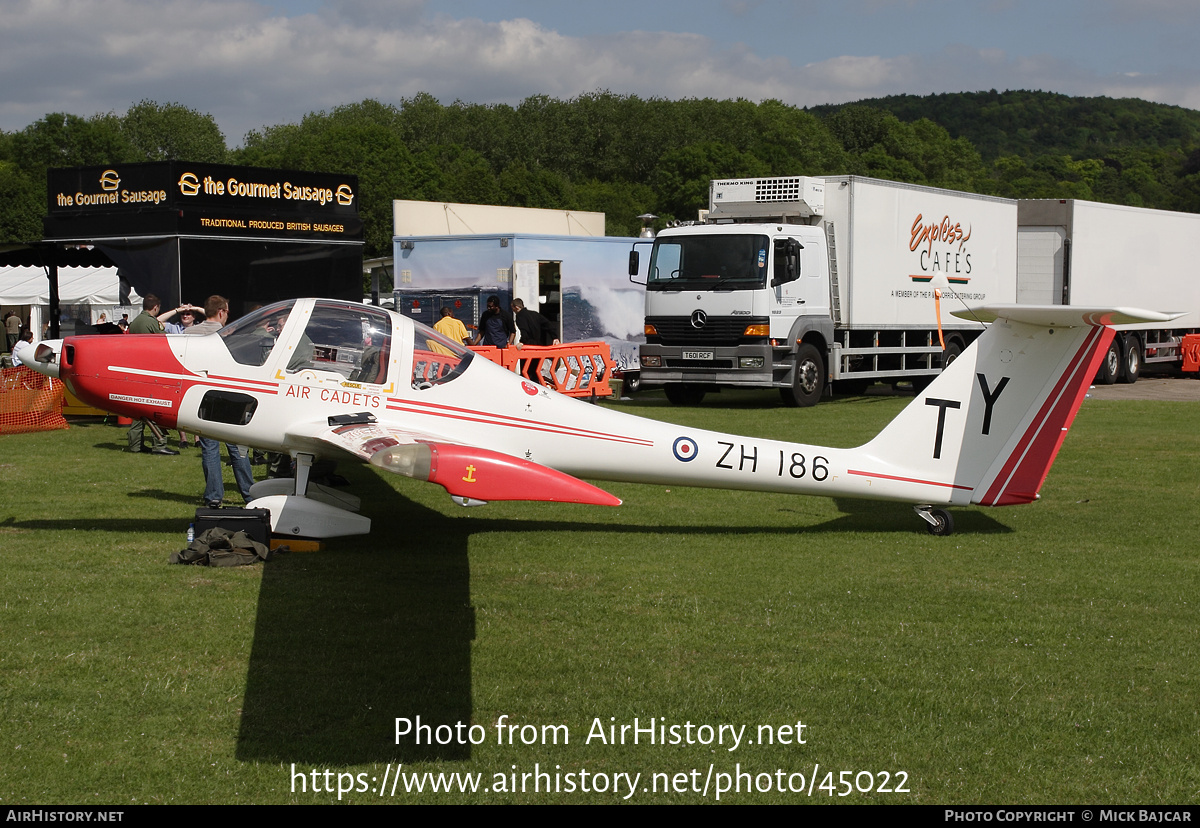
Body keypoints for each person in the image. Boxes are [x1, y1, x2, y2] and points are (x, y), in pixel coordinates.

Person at [183, 295, 255, 508]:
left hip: (203, 398)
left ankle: (214, 496)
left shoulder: (189, 334)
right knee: (237, 449)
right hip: (230, 397)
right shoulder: (230, 335)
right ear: (222, 312)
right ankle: (249, 494)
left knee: (210, 449)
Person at [126, 294, 178, 454]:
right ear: (156, 307)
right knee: (155, 408)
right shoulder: (151, 323)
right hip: (151, 370)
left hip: (136, 369)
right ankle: (159, 444)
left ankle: (135, 444)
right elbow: (165, 342)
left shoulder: (135, 322)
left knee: (138, 409)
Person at [511, 298, 559, 382]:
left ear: (516, 307)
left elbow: (524, 330)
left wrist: (522, 342)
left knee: (525, 371)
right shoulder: (535, 314)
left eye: (512, 308)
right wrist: (555, 337)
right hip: (538, 346)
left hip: (528, 347)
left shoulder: (520, 316)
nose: (513, 311)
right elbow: (548, 325)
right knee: (536, 371)